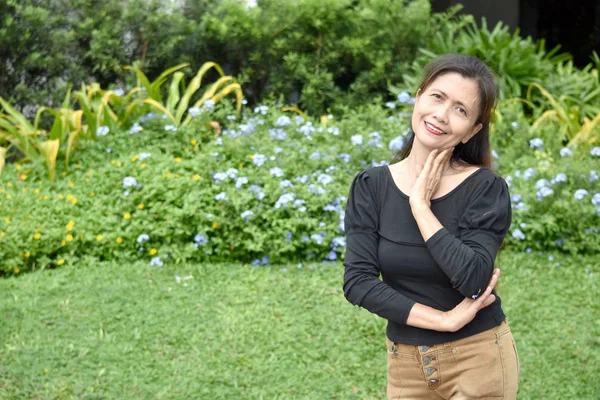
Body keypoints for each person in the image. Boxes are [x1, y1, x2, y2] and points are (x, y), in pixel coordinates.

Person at [343, 54, 519, 399]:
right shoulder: (371, 186)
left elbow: (474, 280)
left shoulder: (484, 188)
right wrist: (443, 321)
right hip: (405, 365)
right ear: (418, 96)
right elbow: (357, 282)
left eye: (460, 110)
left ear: (472, 131)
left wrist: (421, 207)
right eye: (437, 97)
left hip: (478, 357)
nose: (441, 114)